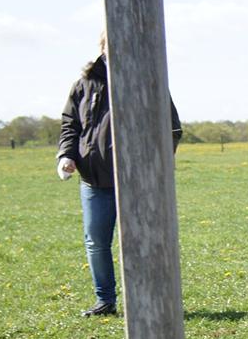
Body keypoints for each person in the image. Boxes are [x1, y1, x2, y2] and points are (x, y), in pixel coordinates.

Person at [56, 32, 182, 316]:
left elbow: (172, 128)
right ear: (101, 47)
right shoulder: (84, 84)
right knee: (97, 242)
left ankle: (147, 301)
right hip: (94, 181)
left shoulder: (149, 81)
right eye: (109, 45)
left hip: (138, 184)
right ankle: (105, 300)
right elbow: (69, 126)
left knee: (140, 243)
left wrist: (158, 166)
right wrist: (67, 155)